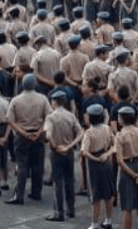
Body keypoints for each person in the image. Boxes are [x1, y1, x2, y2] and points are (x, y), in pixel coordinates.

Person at [6, 73, 51, 205]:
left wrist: (22, 132)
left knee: (22, 166)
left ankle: (19, 194)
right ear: (35, 84)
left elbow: (9, 120)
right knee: (38, 165)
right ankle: (36, 192)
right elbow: (49, 118)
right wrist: (39, 131)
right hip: (38, 135)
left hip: (21, 136)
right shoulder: (43, 99)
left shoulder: (16, 100)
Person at [44, 90, 82, 222]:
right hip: (69, 152)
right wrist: (70, 145)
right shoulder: (71, 116)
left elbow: (48, 134)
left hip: (56, 153)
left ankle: (58, 212)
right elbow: (80, 133)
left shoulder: (51, 117)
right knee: (69, 181)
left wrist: (54, 146)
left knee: (57, 183)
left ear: (54, 102)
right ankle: (71, 209)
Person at [115, 106, 138, 229]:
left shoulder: (120, 135)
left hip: (126, 169)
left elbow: (119, 160)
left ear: (122, 119)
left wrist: (133, 175)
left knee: (127, 206)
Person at [83, 103, 116, 229]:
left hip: (94, 164)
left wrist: (96, 158)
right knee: (108, 193)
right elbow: (115, 145)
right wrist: (106, 154)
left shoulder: (88, 133)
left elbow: (85, 152)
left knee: (95, 194)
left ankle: (94, 223)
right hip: (106, 161)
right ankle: (108, 220)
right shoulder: (107, 128)